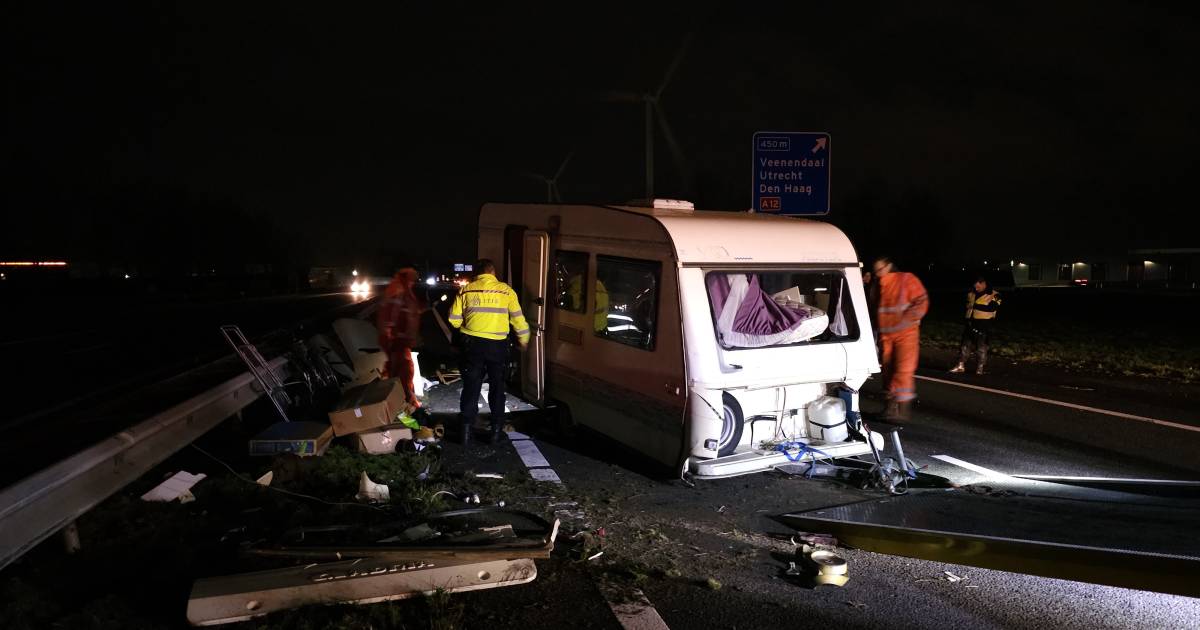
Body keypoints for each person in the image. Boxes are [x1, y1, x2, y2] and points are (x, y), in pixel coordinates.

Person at [448, 259, 530, 446]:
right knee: (497, 388)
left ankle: (466, 433)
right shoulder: (506, 291)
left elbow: (453, 319)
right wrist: (523, 340)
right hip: (497, 345)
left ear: (477, 273)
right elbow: (518, 319)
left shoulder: (466, 290)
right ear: (492, 272)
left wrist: (467, 329)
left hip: (473, 345)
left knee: (471, 387)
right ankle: (495, 433)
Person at [873, 256, 929, 422]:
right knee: (888, 372)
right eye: (876, 270)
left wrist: (908, 318)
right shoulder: (878, 285)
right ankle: (890, 409)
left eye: (880, 269)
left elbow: (922, 301)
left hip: (906, 334)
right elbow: (876, 309)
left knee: (903, 371)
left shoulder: (906, 279)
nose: (878, 273)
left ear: (890, 266)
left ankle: (902, 412)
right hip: (886, 336)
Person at [377, 268, 423, 407]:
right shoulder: (398, 292)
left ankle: (403, 402)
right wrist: (391, 337)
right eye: (412, 279)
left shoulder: (400, 290)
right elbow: (392, 317)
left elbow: (406, 312)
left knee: (399, 372)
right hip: (397, 341)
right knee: (404, 373)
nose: (413, 283)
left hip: (399, 340)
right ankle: (404, 404)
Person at [950, 276, 1001, 375]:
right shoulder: (971, 294)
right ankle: (960, 365)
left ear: (984, 284)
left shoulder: (995, 295)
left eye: (978, 287)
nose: (976, 289)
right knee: (964, 345)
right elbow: (967, 307)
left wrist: (975, 306)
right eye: (975, 287)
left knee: (981, 347)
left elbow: (992, 308)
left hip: (984, 324)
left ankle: (980, 368)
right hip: (970, 322)